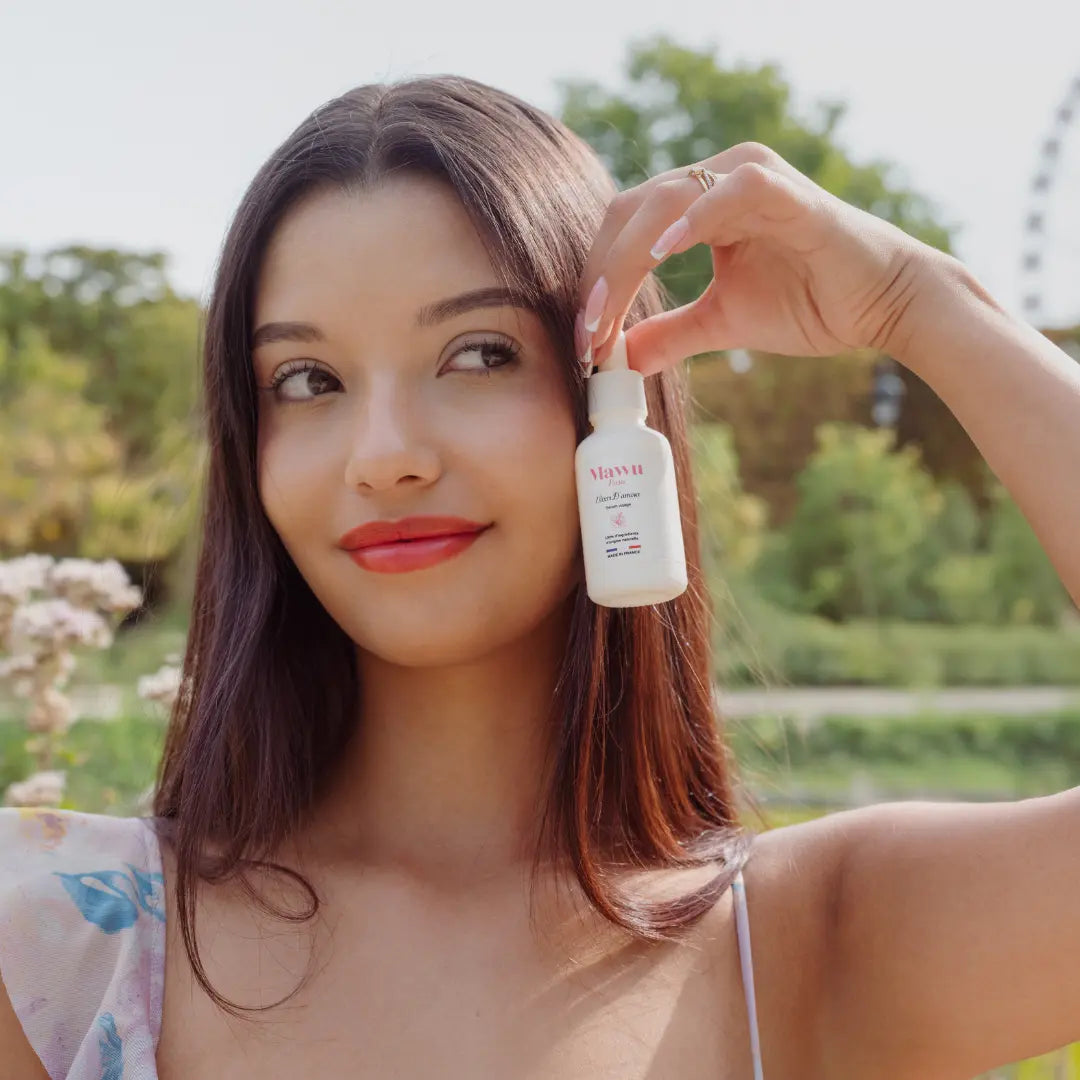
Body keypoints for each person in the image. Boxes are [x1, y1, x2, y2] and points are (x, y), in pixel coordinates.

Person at [1, 72, 1078, 1080]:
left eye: (479, 354)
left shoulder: (803, 938)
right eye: (308, 378)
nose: (386, 452)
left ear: (608, 399)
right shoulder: (58, 942)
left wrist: (918, 302)